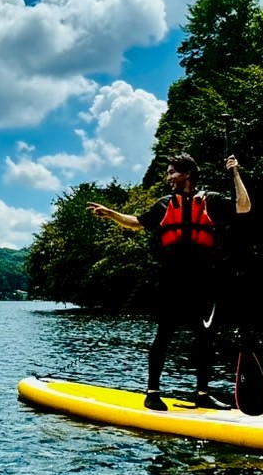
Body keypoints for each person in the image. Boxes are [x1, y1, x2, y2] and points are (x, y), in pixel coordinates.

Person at [87, 152, 251, 410]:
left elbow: (244, 207)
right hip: (172, 281)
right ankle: (152, 393)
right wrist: (111, 214)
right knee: (164, 336)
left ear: (186, 173)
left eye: (172, 172)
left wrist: (235, 173)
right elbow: (137, 223)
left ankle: (202, 395)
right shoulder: (165, 204)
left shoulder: (211, 200)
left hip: (203, 282)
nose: (169, 178)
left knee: (204, 338)